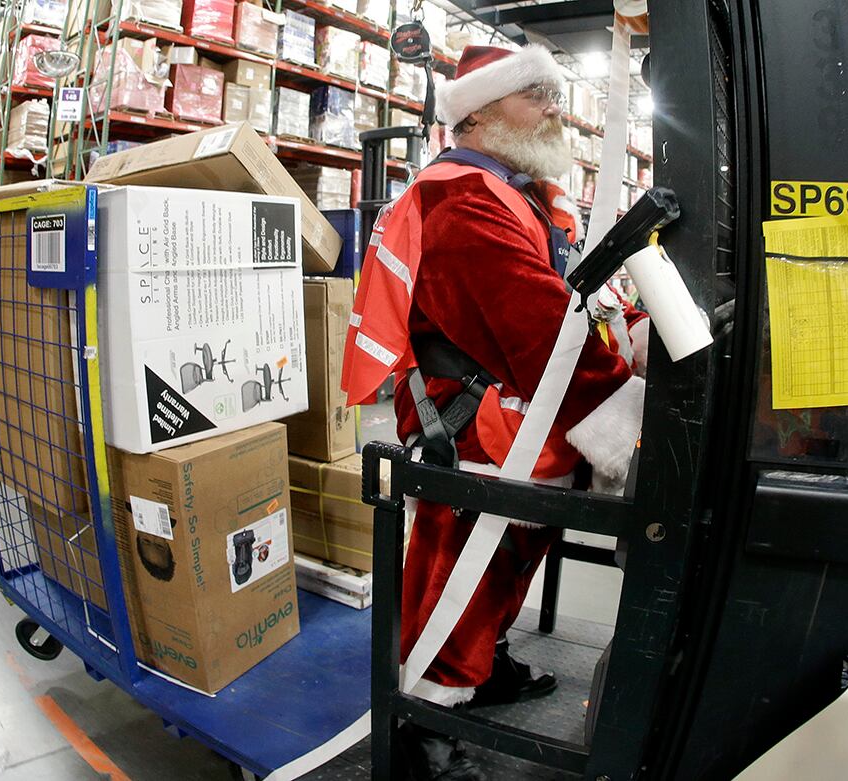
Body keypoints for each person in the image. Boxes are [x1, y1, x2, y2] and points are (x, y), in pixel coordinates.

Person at [341, 43, 650, 780]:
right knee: (465, 565)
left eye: (553, 94)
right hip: (474, 418)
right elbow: (535, 323)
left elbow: (569, 301)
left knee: (505, 556)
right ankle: (428, 712)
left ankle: (479, 663)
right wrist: (618, 409)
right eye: (534, 95)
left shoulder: (514, 191)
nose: (554, 108)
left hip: (510, 403)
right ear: (477, 112)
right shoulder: (465, 197)